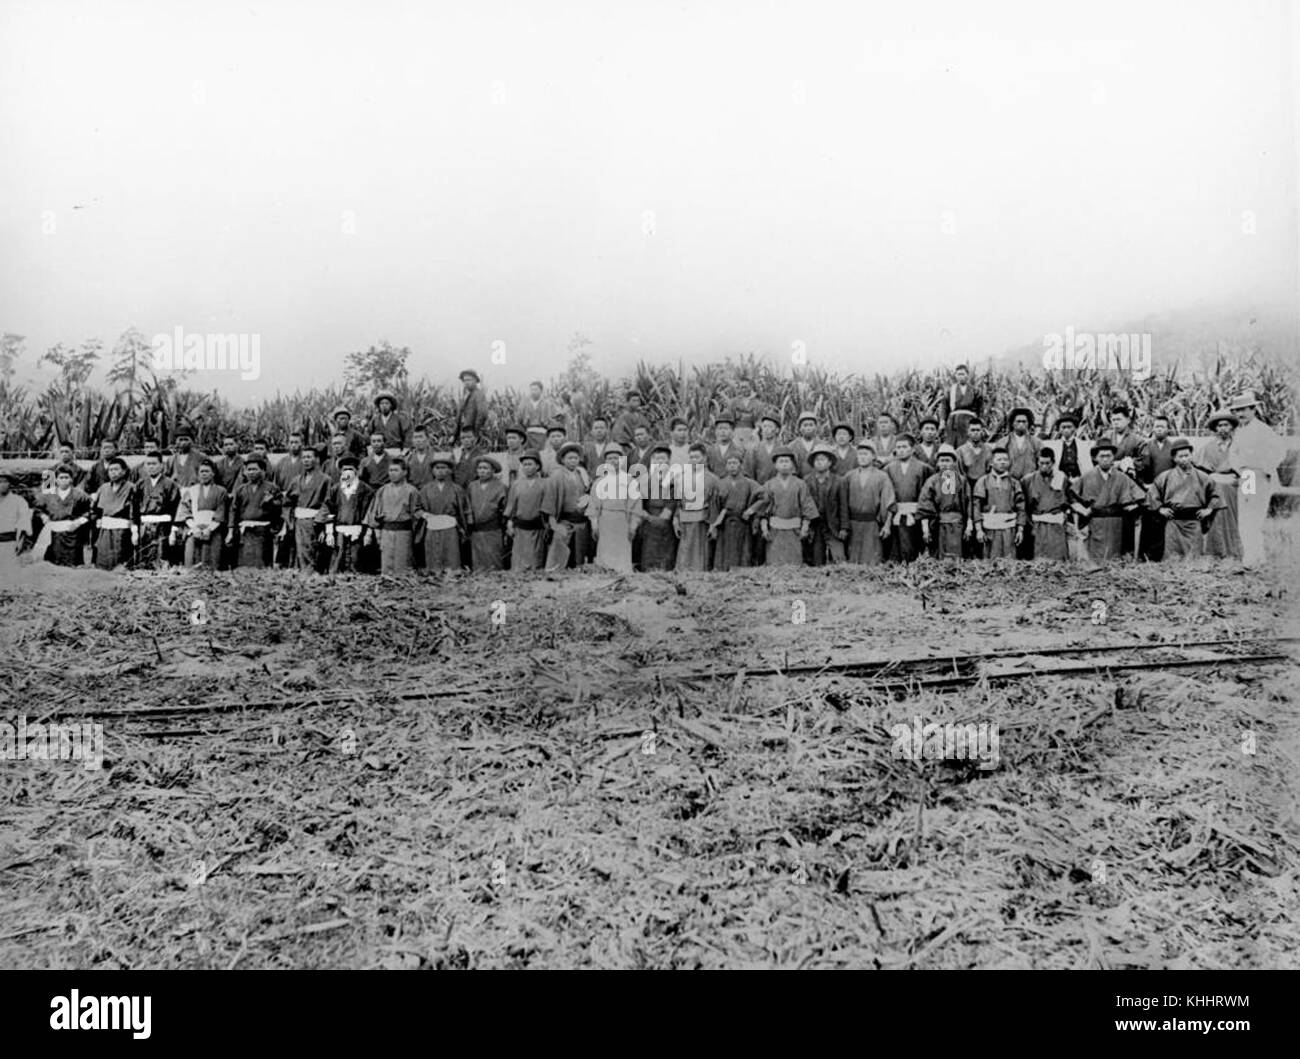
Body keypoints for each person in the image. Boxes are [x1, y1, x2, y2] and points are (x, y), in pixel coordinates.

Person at [1227, 389, 1289, 568]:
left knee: (1254, 516)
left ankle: (1252, 558)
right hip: (1247, 476)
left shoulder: (1262, 429)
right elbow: (1234, 454)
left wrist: (1265, 468)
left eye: (1244, 409)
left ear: (1253, 410)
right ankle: (1256, 556)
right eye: (1237, 410)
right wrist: (1241, 469)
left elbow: (1280, 450)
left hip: (1258, 475)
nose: (1240, 413)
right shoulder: (1240, 431)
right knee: (1246, 516)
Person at [1148, 439, 1221, 560]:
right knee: (1172, 558)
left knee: (1194, 558)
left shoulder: (1202, 477)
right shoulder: (1165, 477)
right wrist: (1161, 509)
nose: (1184, 459)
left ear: (1191, 455)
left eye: (1187, 455)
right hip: (1173, 522)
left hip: (1194, 521)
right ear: (1174, 458)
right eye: (1180, 456)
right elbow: (1153, 494)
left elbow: (1216, 494)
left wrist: (1209, 509)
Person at [1076, 440, 1146, 561]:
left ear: (1113, 457)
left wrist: (1132, 506)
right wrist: (1082, 510)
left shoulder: (1122, 477)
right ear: (1095, 458)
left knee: (1115, 558)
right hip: (1096, 522)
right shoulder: (1086, 477)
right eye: (1102, 456)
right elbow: (1072, 496)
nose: (1105, 459)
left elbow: (1139, 496)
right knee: (1096, 559)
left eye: (1108, 456)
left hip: (1117, 524)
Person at [1196, 410, 1242, 561]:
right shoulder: (1208, 447)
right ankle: (1216, 549)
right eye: (1219, 425)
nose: (1222, 428)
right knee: (1216, 504)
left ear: (1231, 427)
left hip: (1236, 486)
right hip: (1214, 486)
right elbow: (1201, 471)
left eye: (1226, 425)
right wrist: (1213, 478)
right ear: (1215, 428)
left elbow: (1246, 470)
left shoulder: (1239, 446)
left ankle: (1234, 549)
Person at [759, 448, 818, 566]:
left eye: (787, 461)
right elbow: (763, 510)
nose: (784, 464)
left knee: (794, 565)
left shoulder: (800, 484)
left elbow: (807, 507)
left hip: (794, 530)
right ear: (775, 465)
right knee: (774, 565)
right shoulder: (769, 485)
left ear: (792, 464)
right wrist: (764, 528)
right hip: (775, 531)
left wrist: (805, 527)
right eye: (781, 461)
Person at [588, 443, 641, 573]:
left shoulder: (630, 481)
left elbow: (636, 506)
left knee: (622, 551)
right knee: (605, 550)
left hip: (623, 520)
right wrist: (594, 524)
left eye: (616, 458)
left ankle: (622, 574)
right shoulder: (599, 481)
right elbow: (594, 505)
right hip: (605, 519)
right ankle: (605, 572)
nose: (613, 461)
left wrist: (633, 526)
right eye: (610, 458)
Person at [1021, 448, 1081, 561]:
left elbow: (1072, 499)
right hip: (1037, 526)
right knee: (1039, 560)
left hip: (1057, 525)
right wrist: (1029, 525)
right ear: (1037, 462)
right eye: (1041, 463)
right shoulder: (1027, 480)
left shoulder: (1061, 478)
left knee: (1058, 559)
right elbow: (1022, 506)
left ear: (1053, 463)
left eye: (1047, 463)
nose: (1044, 466)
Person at [365, 458, 423, 575]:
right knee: (387, 564)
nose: (392, 473)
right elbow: (374, 513)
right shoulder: (382, 490)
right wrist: (374, 529)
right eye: (390, 470)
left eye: (396, 470)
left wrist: (416, 534)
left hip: (404, 532)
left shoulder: (412, 491)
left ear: (405, 472)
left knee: (403, 564)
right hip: (386, 531)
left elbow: (417, 515)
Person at [843, 441, 895, 566]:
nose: (862, 457)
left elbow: (889, 502)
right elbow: (842, 503)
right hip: (853, 524)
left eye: (866, 454)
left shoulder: (882, 477)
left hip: (872, 524)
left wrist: (887, 525)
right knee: (853, 562)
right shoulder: (849, 476)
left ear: (873, 456)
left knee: (872, 561)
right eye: (859, 454)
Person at [282, 446, 334, 572]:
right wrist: (289, 521)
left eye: (309, 457)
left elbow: (328, 503)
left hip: (315, 523)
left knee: (313, 553)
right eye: (304, 457)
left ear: (316, 459)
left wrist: (319, 520)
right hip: (298, 522)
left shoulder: (325, 480)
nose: (306, 460)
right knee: (298, 553)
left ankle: (313, 577)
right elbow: (287, 502)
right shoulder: (296, 481)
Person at [709, 453, 764, 571]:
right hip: (725, 524)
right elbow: (714, 506)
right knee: (724, 552)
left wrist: (750, 510)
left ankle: (742, 574)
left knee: (743, 551)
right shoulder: (720, 483)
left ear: (741, 465)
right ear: (726, 466)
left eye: (735, 463)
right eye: (729, 463)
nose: (732, 466)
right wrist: (713, 525)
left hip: (742, 523)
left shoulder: (749, 483)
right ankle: (723, 573)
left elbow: (764, 497)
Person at [542, 443, 592, 571]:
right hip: (564, 519)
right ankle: (555, 571)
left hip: (581, 519)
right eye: (570, 458)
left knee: (580, 552)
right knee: (560, 548)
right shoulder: (556, 476)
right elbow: (550, 499)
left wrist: (587, 497)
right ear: (563, 460)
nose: (573, 461)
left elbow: (588, 491)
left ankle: (579, 568)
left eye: (575, 458)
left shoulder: (582, 474)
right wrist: (553, 523)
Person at [227, 455, 282, 569]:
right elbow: (233, 510)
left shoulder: (271, 488)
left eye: (254, 469)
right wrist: (231, 530)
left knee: (261, 563)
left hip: (262, 531)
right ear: (244, 472)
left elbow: (280, 508)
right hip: (244, 532)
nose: (251, 472)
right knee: (243, 563)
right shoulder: (241, 489)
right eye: (249, 469)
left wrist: (271, 503)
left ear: (262, 471)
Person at [418, 454, 468, 573]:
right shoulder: (425, 489)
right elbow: (416, 509)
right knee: (433, 552)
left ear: (450, 470)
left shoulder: (457, 489)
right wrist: (425, 515)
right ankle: (434, 572)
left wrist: (462, 527)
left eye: (443, 468)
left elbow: (464, 510)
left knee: (451, 552)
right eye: (437, 468)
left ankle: (452, 573)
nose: (440, 471)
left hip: (450, 526)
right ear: (432, 471)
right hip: (432, 525)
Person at [1136, 414, 1177, 562]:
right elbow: (1139, 469)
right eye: (1156, 426)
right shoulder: (1145, 446)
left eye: (1162, 427)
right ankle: (1145, 556)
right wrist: (1144, 485)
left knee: (1164, 522)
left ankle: (1162, 556)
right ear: (1152, 428)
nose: (1159, 429)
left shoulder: (1173, 448)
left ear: (1168, 429)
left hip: (1168, 490)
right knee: (1148, 522)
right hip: (1149, 489)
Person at [174, 459, 228, 569]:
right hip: (194, 530)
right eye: (201, 471)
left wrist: (209, 528)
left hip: (213, 530)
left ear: (213, 473)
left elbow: (221, 512)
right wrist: (194, 528)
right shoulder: (191, 491)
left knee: (212, 563)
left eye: (207, 471)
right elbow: (184, 512)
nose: (204, 474)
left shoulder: (221, 491)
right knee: (192, 561)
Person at [972, 448, 1025, 559]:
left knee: (1009, 561)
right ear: (991, 462)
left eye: (1005, 459)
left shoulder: (1014, 483)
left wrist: (1020, 529)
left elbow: (1021, 507)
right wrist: (979, 529)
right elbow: (977, 506)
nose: (1002, 462)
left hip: (1009, 529)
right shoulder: (983, 481)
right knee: (990, 561)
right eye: (999, 459)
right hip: (989, 528)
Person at [917, 445, 968, 559]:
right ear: (937, 463)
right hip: (938, 526)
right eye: (942, 460)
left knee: (957, 557)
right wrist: (925, 529)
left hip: (958, 525)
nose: (944, 464)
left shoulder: (962, 481)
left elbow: (968, 503)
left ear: (954, 462)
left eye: (948, 460)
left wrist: (969, 526)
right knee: (938, 557)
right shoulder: (931, 481)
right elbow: (925, 505)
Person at [35, 466, 92, 566]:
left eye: (66, 477)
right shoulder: (48, 494)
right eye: (61, 478)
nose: (64, 480)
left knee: (72, 563)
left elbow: (90, 511)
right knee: (54, 562)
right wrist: (43, 516)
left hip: (72, 532)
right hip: (54, 532)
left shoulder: (80, 495)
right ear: (56, 480)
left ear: (71, 479)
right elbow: (37, 509)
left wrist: (78, 522)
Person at [674, 444, 718, 572]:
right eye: (691, 457)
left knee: (699, 552)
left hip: (702, 520)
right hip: (685, 519)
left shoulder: (712, 479)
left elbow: (714, 504)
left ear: (704, 458)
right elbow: (678, 502)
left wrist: (713, 524)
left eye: (697, 457)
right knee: (684, 550)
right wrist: (676, 519)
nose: (694, 460)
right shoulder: (682, 477)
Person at [884, 434, 928, 563]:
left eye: (904, 446)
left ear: (913, 449)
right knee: (897, 549)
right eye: (898, 447)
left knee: (915, 547)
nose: (901, 450)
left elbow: (927, 494)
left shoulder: (923, 468)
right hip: (896, 512)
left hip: (917, 514)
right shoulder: (888, 469)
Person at [327, 457, 375, 574]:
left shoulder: (366, 490)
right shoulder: (335, 489)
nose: (348, 473)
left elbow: (370, 512)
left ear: (357, 471)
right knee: (338, 560)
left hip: (358, 531)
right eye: (345, 470)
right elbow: (328, 511)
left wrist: (368, 532)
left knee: (356, 559)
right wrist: (329, 532)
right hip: (339, 530)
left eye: (351, 469)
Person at [505, 451, 548, 571]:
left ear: (538, 466)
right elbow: (511, 504)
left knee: (535, 557)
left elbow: (547, 506)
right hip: (520, 527)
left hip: (537, 527)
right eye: (524, 465)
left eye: (530, 464)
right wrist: (509, 522)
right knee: (519, 559)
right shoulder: (516, 484)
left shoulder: (544, 484)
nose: (527, 467)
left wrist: (547, 524)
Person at [637, 445, 679, 571]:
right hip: (648, 516)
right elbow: (641, 501)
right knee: (649, 549)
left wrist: (666, 513)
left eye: (663, 459)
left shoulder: (674, 480)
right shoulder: (646, 479)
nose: (660, 462)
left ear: (669, 461)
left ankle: (665, 571)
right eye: (656, 459)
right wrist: (645, 514)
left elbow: (673, 500)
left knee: (666, 550)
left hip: (666, 518)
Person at [90, 456, 136, 569]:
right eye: (111, 470)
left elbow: (134, 511)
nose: (113, 473)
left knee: (120, 560)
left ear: (124, 471)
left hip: (122, 530)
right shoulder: (103, 488)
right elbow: (95, 510)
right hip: (104, 530)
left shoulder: (131, 487)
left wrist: (134, 529)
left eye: (116, 469)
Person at [135, 450, 179, 569]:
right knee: (144, 558)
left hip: (163, 527)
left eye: (154, 464)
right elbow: (134, 509)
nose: (151, 467)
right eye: (148, 464)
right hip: (144, 526)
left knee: (162, 557)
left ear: (161, 465)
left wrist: (174, 530)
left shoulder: (170, 485)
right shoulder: (140, 484)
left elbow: (176, 508)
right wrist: (134, 529)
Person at [804, 444, 847, 565]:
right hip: (815, 525)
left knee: (839, 558)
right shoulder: (806, 481)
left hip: (833, 525)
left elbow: (843, 505)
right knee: (817, 559)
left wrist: (844, 527)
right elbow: (804, 504)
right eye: (816, 460)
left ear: (829, 463)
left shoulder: (839, 481)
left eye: (822, 459)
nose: (819, 462)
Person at [467, 456, 508, 572]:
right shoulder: (472, 486)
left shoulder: (501, 487)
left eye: (485, 468)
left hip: (493, 529)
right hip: (476, 529)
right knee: (478, 559)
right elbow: (468, 506)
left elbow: (505, 508)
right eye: (479, 468)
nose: (482, 471)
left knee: (493, 557)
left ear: (493, 470)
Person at [940, 364, 984, 447]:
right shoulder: (950, 390)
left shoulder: (975, 390)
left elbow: (980, 408)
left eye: (963, 374)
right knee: (952, 444)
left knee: (969, 445)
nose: (960, 376)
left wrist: (980, 421)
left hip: (969, 421)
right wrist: (942, 421)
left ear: (967, 375)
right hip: (954, 422)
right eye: (958, 374)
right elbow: (944, 407)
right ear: (955, 376)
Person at [0, 472, 33, 577]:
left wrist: (21, 542)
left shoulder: (19, 501)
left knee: (8, 573)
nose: (2, 484)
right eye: (0, 482)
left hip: (9, 542)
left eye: (5, 481)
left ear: (10, 484)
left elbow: (24, 522)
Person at [1042, 413, 1092, 481]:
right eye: (1063, 427)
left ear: (1075, 428)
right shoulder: (1052, 445)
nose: (1066, 430)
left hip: (1079, 480)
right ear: (1059, 429)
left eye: (1069, 427)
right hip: (1059, 480)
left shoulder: (1084, 445)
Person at [518, 380, 559, 451]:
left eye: (536, 389)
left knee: (542, 456)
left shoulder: (548, 404)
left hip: (543, 434)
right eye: (532, 389)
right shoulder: (524, 404)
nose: (533, 392)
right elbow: (519, 419)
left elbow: (555, 420)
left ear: (541, 391)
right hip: (528, 434)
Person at [454, 369, 489, 440]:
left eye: (469, 380)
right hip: (464, 434)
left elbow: (482, 414)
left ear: (475, 381)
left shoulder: (479, 394)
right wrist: (454, 434)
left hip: (472, 434)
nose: (466, 383)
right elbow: (459, 418)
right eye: (464, 380)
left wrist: (475, 432)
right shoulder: (465, 396)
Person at [748, 413, 783, 483]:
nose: (766, 429)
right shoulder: (755, 449)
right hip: (759, 488)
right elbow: (749, 472)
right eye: (764, 426)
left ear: (777, 430)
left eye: (770, 427)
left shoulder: (782, 449)